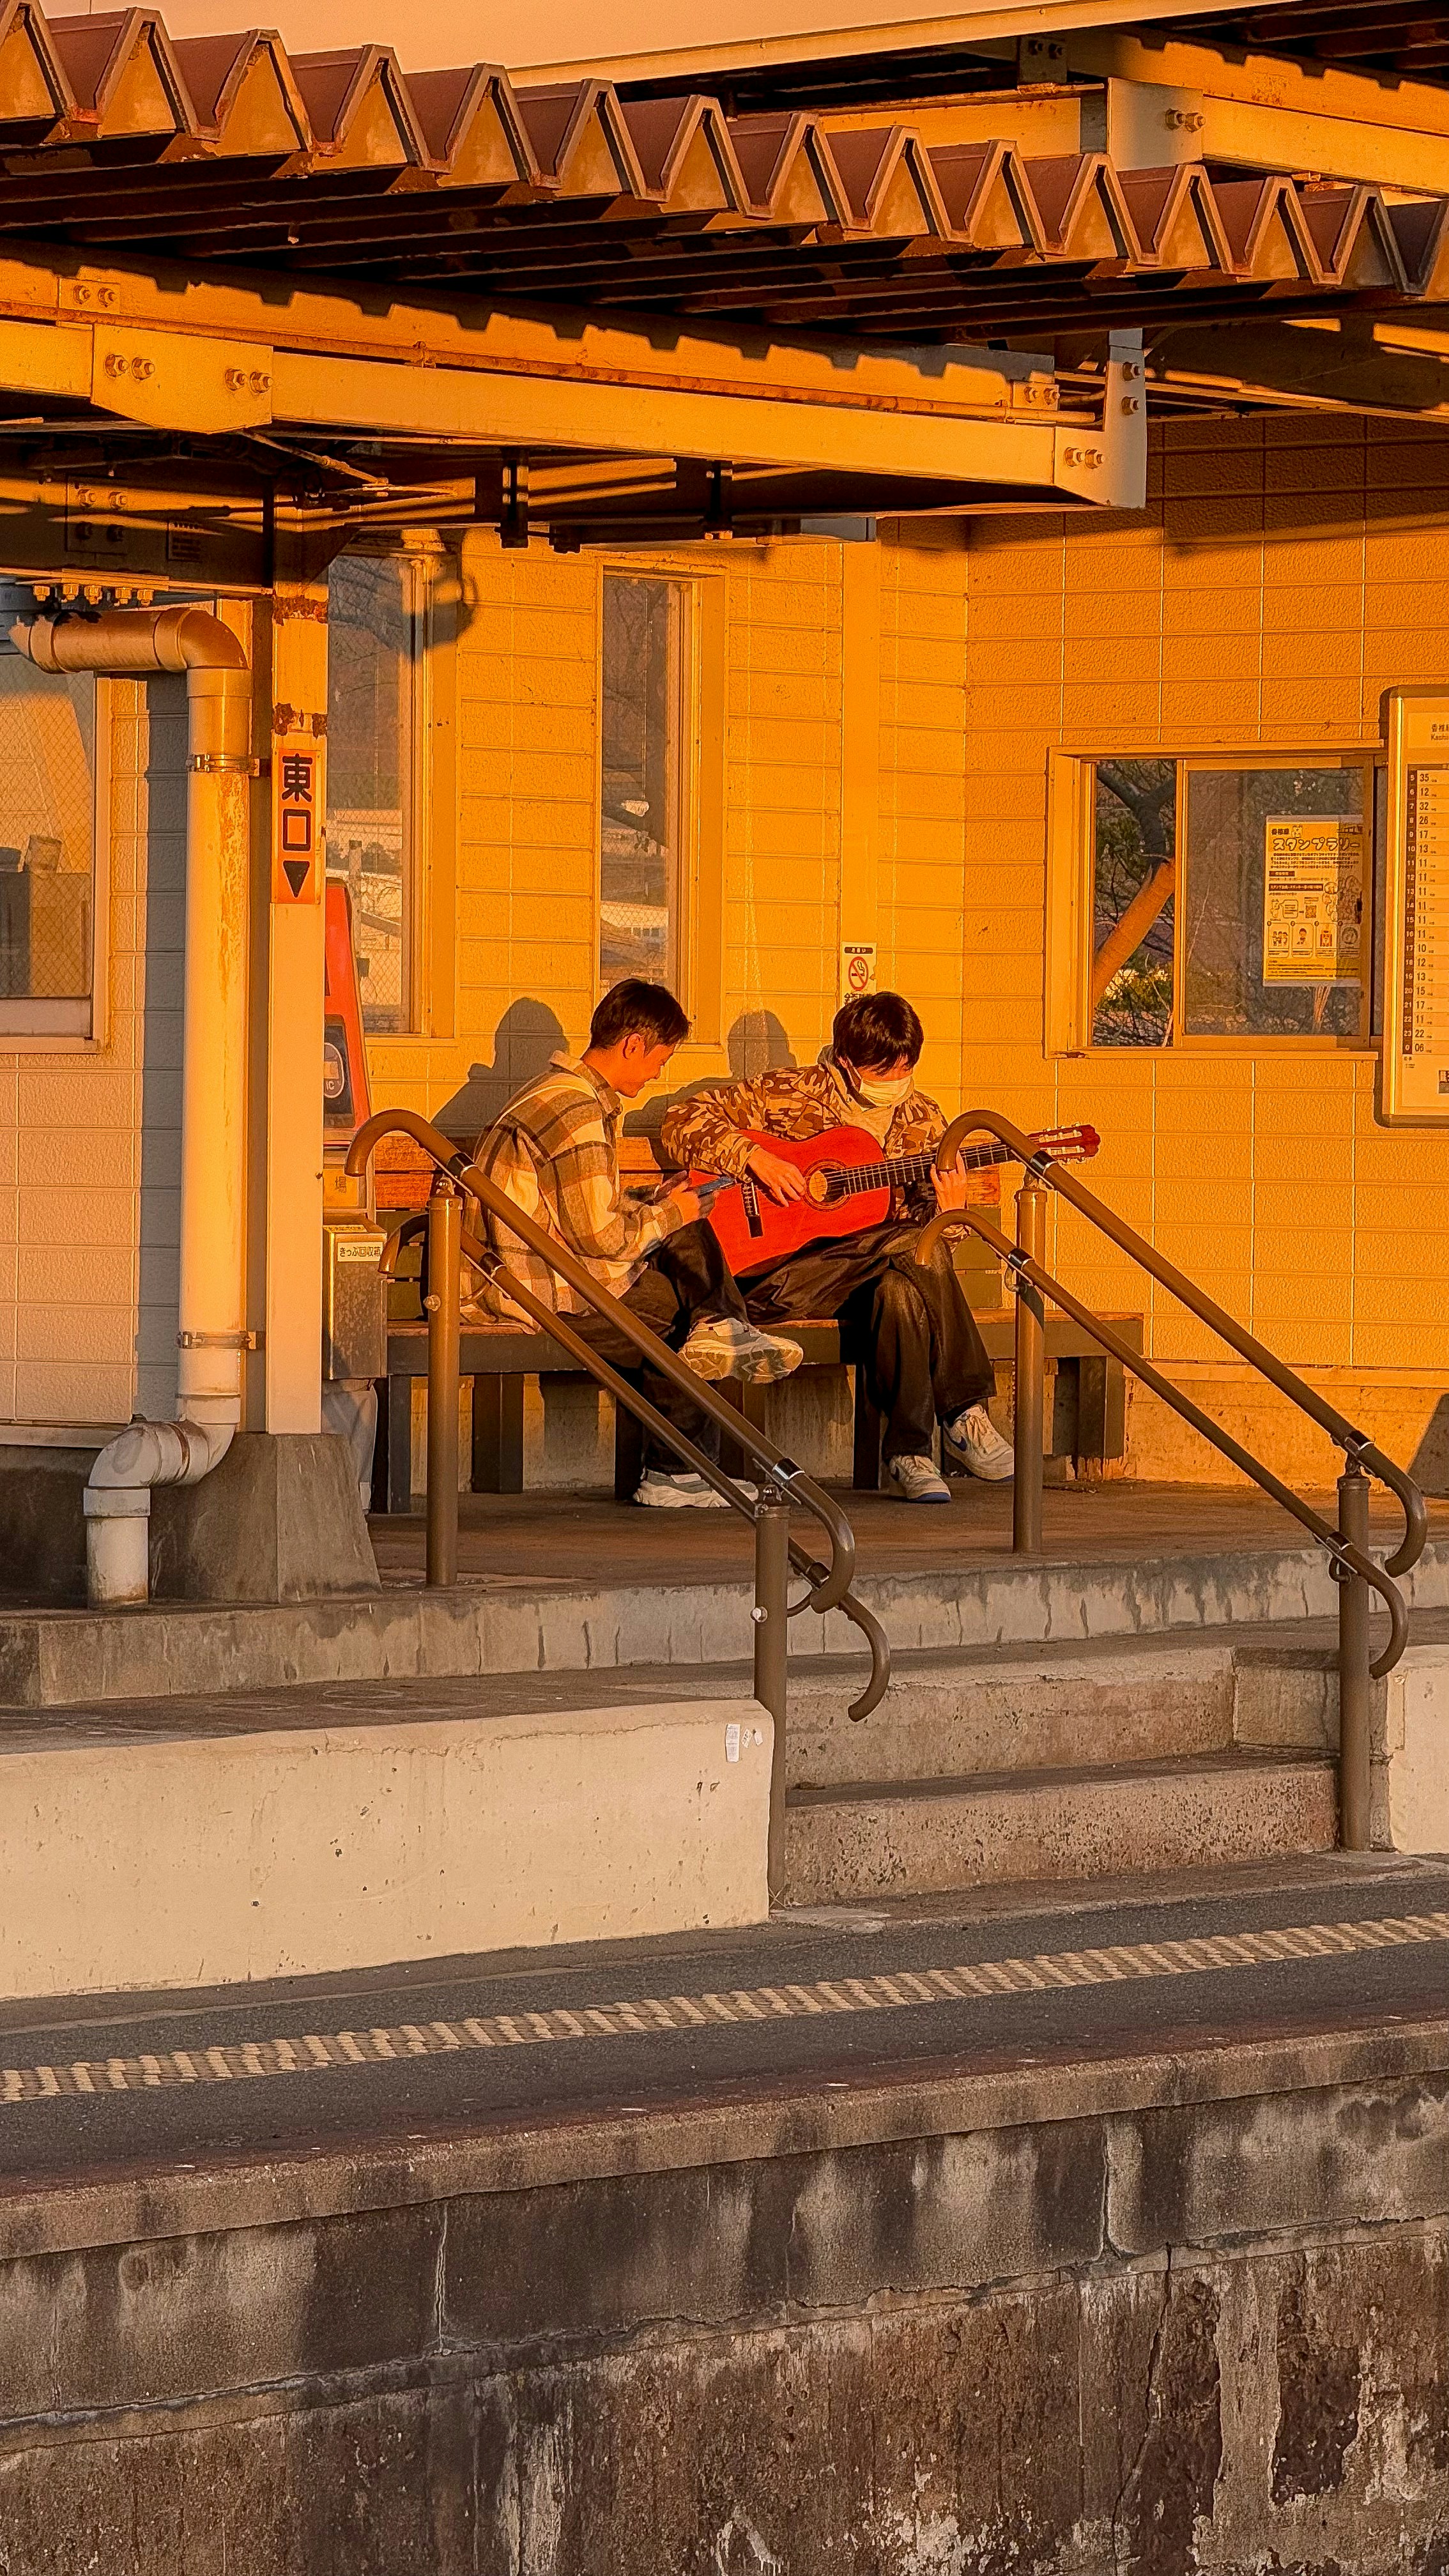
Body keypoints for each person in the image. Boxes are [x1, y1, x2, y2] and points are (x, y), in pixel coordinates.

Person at [660, 990, 1015, 1502]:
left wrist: (948, 1212)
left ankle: (911, 1454)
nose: (897, 1082)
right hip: (776, 1274)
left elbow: (930, 1243)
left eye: (905, 1068)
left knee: (902, 1288)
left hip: (866, 1282)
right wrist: (755, 1160)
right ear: (848, 1063)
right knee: (912, 1253)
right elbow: (682, 1121)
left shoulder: (922, 1120)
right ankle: (962, 1410)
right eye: (883, 1071)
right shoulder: (787, 1093)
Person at [470, 978, 802, 1508]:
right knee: (677, 1313)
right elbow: (600, 1237)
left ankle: (720, 1333)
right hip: (539, 1288)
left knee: (683, 1243)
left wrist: (659, 1200)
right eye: (660, 1061)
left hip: (542, 1269)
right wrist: (672, 1212)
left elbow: (581, 1211)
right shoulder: (575, 1109)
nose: (657, 1074)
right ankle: (679, 1466)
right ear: (632, 1046)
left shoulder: (557, 1092)